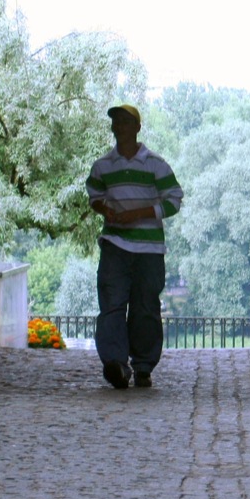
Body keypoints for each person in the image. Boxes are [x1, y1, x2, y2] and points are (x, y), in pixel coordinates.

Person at [86, 104, 182, 389]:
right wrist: (106, 210)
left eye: (126, 122)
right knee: (111, 305)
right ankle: (115, 364)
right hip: (115, 244)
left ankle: (142, 366)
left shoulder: (155, 164)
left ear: (137, 127)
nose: (120, 127)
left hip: (149, 251)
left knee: (145, 307)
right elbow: (94, 196)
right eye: (116, 122)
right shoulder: (102, 166)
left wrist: (138, 213)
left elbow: (174, 199)